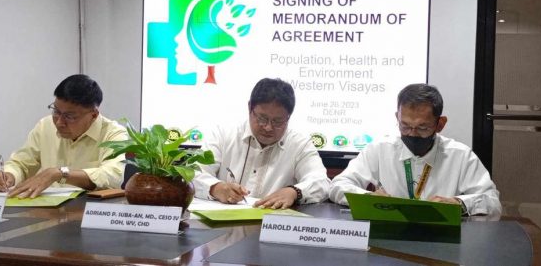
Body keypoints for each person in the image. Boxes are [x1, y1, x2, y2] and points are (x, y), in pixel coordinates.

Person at [329, 83, 502, 216]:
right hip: (389, 235)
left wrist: (460, 203)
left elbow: (492, 201)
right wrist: (367, 198)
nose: (412, 134)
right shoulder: (380, 149)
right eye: (405, 126)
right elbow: (338, 185)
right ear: (397, 117)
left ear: (440, 124)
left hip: (441, 237)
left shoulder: (460, 155)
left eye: (422, 128)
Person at [193, 78, 330, 209]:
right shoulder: (223, 134)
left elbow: (321, 183)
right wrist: (215, 188)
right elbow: (193, 174)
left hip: (273, 227)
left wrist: (294, 192)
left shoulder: (299, 145)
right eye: (262, 118)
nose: (268, 127)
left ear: (288, 117)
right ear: (249, 108)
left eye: (278, 121)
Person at [0, 74, 127, 198]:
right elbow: (21, 163)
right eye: (56, 111)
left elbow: (112, 176)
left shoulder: (114, 133)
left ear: (94, 115)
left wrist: (61, 174)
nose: (59, 122)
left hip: (87, 213)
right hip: (45, 213)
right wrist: (9, 175)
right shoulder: (45, 126)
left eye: (69, 116)